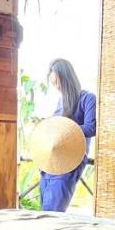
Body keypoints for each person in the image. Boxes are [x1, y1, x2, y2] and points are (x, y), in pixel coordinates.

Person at [39, 58, 96, 212]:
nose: (57, 87)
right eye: (54, 84)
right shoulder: (60, 101)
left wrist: (65, 130)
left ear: (67, 78)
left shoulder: (88, 98)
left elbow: (91, 128)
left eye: (58, 82)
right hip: (52, 160)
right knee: (45, 209)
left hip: (72, 159)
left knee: (54, 211)